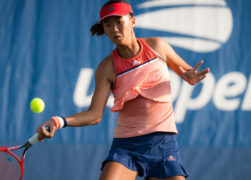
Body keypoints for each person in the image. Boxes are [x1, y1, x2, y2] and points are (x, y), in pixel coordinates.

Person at [36, 0, 209, 179]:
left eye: (119, 21)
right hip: (127, 146)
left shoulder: (157, 46)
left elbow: (187, 72)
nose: (114, 29)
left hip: (164, 144)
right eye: (108, 24)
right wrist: (58, 121)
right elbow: (94, 114)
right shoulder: (107, 67)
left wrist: (190, 77)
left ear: (132, 21)